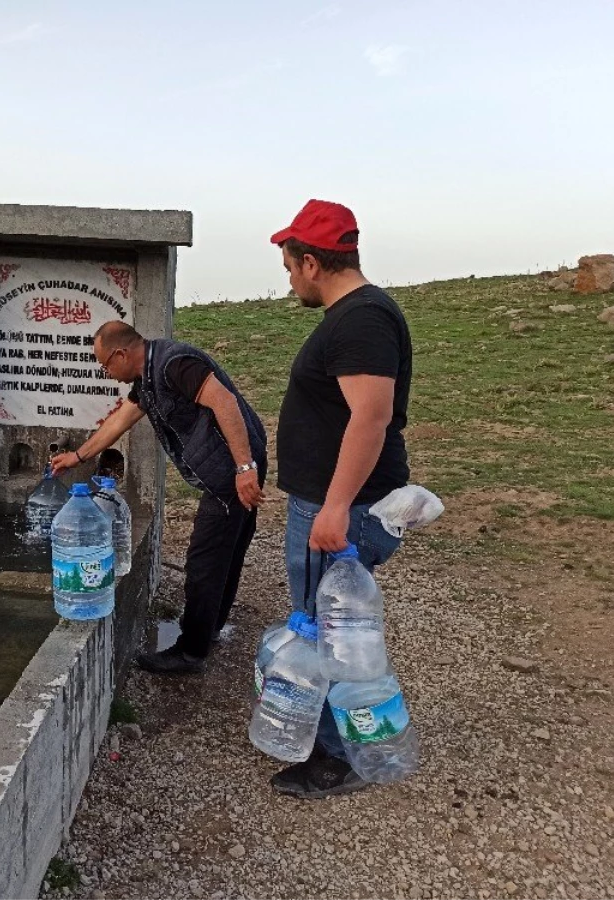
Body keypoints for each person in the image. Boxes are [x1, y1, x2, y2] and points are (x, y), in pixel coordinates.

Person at [268, 199, 413, 799]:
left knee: (327, 634)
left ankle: (338, 758)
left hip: (339, 508)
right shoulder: (355, 316)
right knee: (318, 626)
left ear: (310, 263)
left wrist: (333, 507)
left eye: (288, 267)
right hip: (329, 502)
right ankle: (336, 740)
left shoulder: (361, 320)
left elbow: (371, 419)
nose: (289, 279)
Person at [50, 321, 267, 675]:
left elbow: (224, 402)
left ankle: (191, 653)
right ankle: (209, 627)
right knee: (228, 549)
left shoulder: (173, 364)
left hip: (229, 471)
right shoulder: (147, 381)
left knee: (204, 562)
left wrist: (244, 467)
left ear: (122, 353)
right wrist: (78, 457)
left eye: (106, 364)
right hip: (231, 466)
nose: (107, 372)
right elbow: (119, 421)